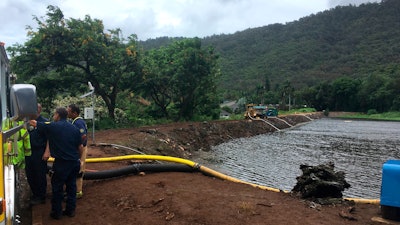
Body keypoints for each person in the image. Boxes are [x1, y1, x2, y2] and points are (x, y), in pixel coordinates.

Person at [29, 107, 83, 220]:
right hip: (74, 162)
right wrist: (78, 158)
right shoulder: (74, 128)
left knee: (57, 187)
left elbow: (33, 123)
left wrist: (25, 114)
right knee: (71, 187)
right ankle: (70, 210)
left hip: (61, 164)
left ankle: (57, 212)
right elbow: (80, 147)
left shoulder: (52, 126)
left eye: (54, 114)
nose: (53, 116)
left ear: (57, 115)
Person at [25, 103, 50, 206]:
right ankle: (35, 194)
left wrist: (47, 152)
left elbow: (49, 138)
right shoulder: (27, 122)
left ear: (39, 110)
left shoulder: (44, 123)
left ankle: (41, 196)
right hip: (28, 152)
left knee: (39, 174)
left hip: (39, 151)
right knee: (30, 174)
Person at [67, 104, 88, 199]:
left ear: (74, 113)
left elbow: (83, 136)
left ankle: (78, 191)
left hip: (80, 149)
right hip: (79, 148)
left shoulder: (78, 123)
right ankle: (73, 190)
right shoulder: (75, 122)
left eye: (69, 111)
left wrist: (78, 147)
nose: (67, 113)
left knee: (79, 168)